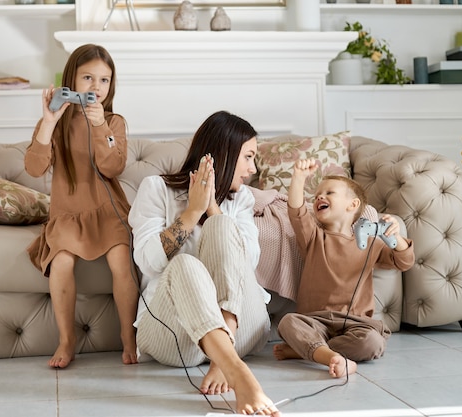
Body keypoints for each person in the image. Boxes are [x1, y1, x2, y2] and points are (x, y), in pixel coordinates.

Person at [128, 111, 281, 416]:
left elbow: (245, 263)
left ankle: (223, 359)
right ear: (224, 154)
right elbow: (148, 263)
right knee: (185, 264)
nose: (252, 170)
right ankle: (236, 369)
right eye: (248, 157)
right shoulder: (156, 189)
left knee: (223, 228)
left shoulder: (242, 200)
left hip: (242, 327)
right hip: (173, 334)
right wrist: (192, 212)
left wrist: (213, 210)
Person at [24, 44, 138, 369]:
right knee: (60, 262)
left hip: (107, 211)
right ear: (71, 78)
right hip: (68, 215)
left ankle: (128, 338)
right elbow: (34, 168)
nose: (95, 87)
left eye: (104, 80)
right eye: (88, 77)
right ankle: (66, 339)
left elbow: (114, 167)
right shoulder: (55, 122)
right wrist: (48, 121)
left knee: (120, 261)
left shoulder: (114, 122)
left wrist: (101, 127)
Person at [273, 158, 415, 378]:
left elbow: (404, 261)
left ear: (353, 205)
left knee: (372, 343)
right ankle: (328, 356)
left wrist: (396, 237)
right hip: (315, 320)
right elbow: (296, 211)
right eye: (317, 194)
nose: (320, 196)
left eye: (330, 193)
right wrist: (299, 177)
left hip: (357, 323)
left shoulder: (371, 243)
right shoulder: (313, 237)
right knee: (288, 323)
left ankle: (309, 351)